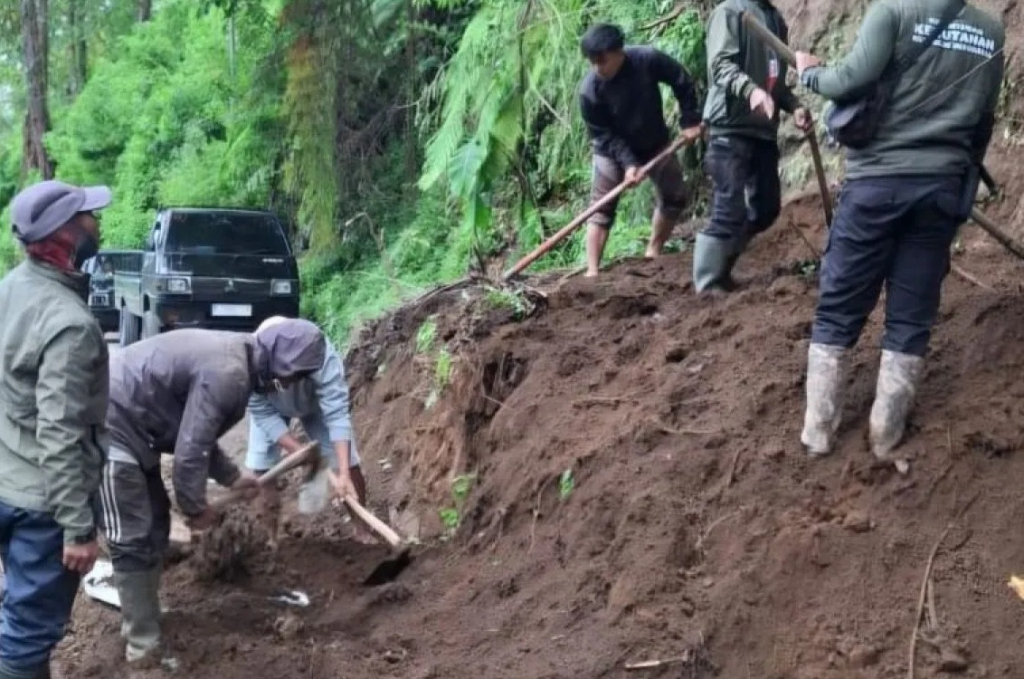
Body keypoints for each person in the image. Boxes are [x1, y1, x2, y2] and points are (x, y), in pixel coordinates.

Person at [795, 0, 1004, 459]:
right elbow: (983, 119)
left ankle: (819, 432)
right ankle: (885, 434)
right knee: (912, 313)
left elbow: (849, 80)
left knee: (840, 302)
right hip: (941, 191)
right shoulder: (991, 31)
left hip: (876, 185)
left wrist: (810, 73)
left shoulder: (892, 12)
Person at [99, 319, 350, 667]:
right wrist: (195, 508)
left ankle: (148, 618)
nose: (293, 385)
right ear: (281, 371)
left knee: (155, 523)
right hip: (107, 425)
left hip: (134, 429)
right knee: (132, 534)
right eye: (294, 378)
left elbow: (194, 434)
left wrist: (233, 479)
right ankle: (143, 649)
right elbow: (190, 452)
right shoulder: (230, 375)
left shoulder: (237, 363)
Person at [0, 180, 112, 679]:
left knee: (17, 621)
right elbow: (61, 430)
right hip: (41, 507)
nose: (98, 224)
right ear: (66, 235)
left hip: (6, 483)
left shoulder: (9, 289)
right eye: (89, 216)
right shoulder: (70, 323)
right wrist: (77, 526)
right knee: (24, 641)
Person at [695, 0, 812, 293]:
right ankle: (708, 284)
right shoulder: (730, 12)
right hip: (728, 127)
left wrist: (795, 106)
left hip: (763, 131)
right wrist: (751, 92)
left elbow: (776, 81)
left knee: (766, 208)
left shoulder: (775, 20)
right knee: (729, 206)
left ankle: (723, 264)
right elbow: (720, 65)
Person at [578, 23, 703, 277]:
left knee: (675, 196)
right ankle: (591, 272)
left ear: (618, 52)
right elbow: (605, 136)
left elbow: (681, 80)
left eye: (602, 61)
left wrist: (690, 121)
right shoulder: (590, 92)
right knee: (601, 209)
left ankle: (654, 249)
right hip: (611, 152)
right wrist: (629, 164)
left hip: (654, 141)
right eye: (593, 62)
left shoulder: (647, 59)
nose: (598, 68)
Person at [246, 316, 370, 545]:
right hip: (270, 406)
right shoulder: (249, 359)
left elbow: (337, 412)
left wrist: (341, 472)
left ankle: (361, 530)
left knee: (349, 465)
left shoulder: (320, 354)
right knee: (262, 469)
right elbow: (262, 414)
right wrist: (301, 451)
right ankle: (270, 538)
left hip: (314, 403)